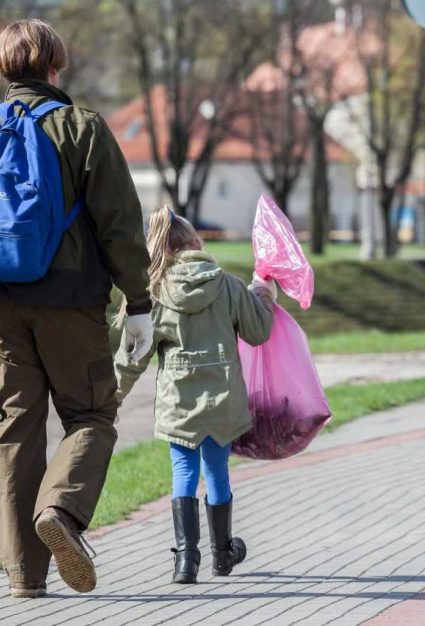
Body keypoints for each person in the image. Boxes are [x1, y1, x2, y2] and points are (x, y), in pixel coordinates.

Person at [0, 20, 153, 598]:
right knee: (91, 417)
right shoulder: (84, 129)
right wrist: (141, 303)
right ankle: (61, 510)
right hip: (73, 303)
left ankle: (25, 579)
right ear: (56, 66)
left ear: (2, 69)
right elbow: (121, 227)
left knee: (16, 433)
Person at [115, 208, 276, 584]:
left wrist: (111, 400)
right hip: (222, 401)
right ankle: (223, 555)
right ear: (195, 243)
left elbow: (131, 357)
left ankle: (186, 561)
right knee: (217, 471)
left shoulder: (154, 293)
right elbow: (258, 331)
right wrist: (262, 293)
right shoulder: (228, 285)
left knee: (183, 473)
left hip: (179, 404)